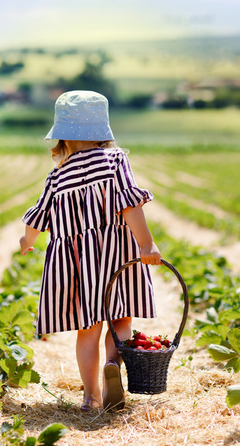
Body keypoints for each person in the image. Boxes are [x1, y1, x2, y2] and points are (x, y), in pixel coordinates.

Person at [19, 90, 162, 412]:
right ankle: (114, 363)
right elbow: (130, 205)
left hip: (79, 265)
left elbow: (38, 219)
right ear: (102, 132)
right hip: (117, 255)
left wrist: (26, 242)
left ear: (62, 137)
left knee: (88, 330)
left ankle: (90, 396)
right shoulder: (114, 161)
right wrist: (146, 244)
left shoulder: (57, 175)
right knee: (120, 318)